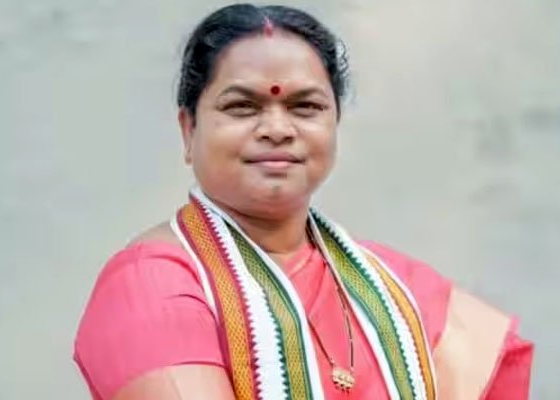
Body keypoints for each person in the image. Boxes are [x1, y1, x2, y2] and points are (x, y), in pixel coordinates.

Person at [73, 3, 533, 399]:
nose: (277, 129)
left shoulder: (404, 292)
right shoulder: (152, 283)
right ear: (188, 129)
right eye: (242, 106)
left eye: (305, 107)